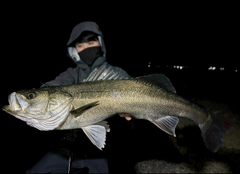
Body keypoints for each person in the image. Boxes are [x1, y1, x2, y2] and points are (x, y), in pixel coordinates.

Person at [26, 21, 132, 174]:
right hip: (66, 148)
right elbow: (54, 86)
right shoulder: (71, 74)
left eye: (91, 41)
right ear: (74, 51)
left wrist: (129, 111)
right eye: (80, 45)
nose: (87, 48)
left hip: (101, 150)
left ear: (100, 43)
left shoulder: (115, 74)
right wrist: (38, 97)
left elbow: (135, 93)